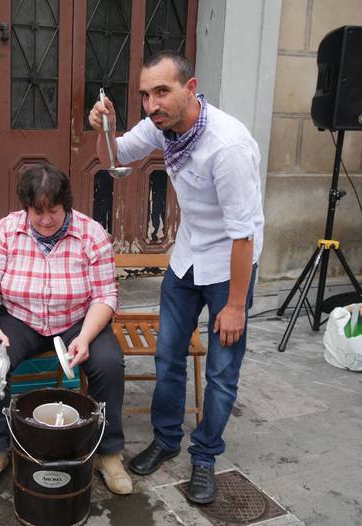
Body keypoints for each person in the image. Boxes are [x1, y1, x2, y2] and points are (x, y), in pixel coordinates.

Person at [88, 51, 264, 504]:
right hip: (188, 257)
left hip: (230, 265)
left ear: (191, 88)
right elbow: (113, 159)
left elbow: (243, 234)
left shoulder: (227, 146)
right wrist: (105, 129)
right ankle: (166, 439)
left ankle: (204, 456)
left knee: (221, 372)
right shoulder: (161, 125)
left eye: (162, 92)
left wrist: (236, 306)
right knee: (168, 357)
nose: (152, 104)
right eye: (145, 95)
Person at [0, 164, 132, 496]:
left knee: (108, 364)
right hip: (21, 319)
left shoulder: (92, 234)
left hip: (77, 320)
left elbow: (105, 295)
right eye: (37, 212)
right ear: (26, 207)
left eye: (53, 211)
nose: (45, 220)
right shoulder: (4, 231)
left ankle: (108, 453)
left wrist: (85, 337)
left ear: (66, 205)